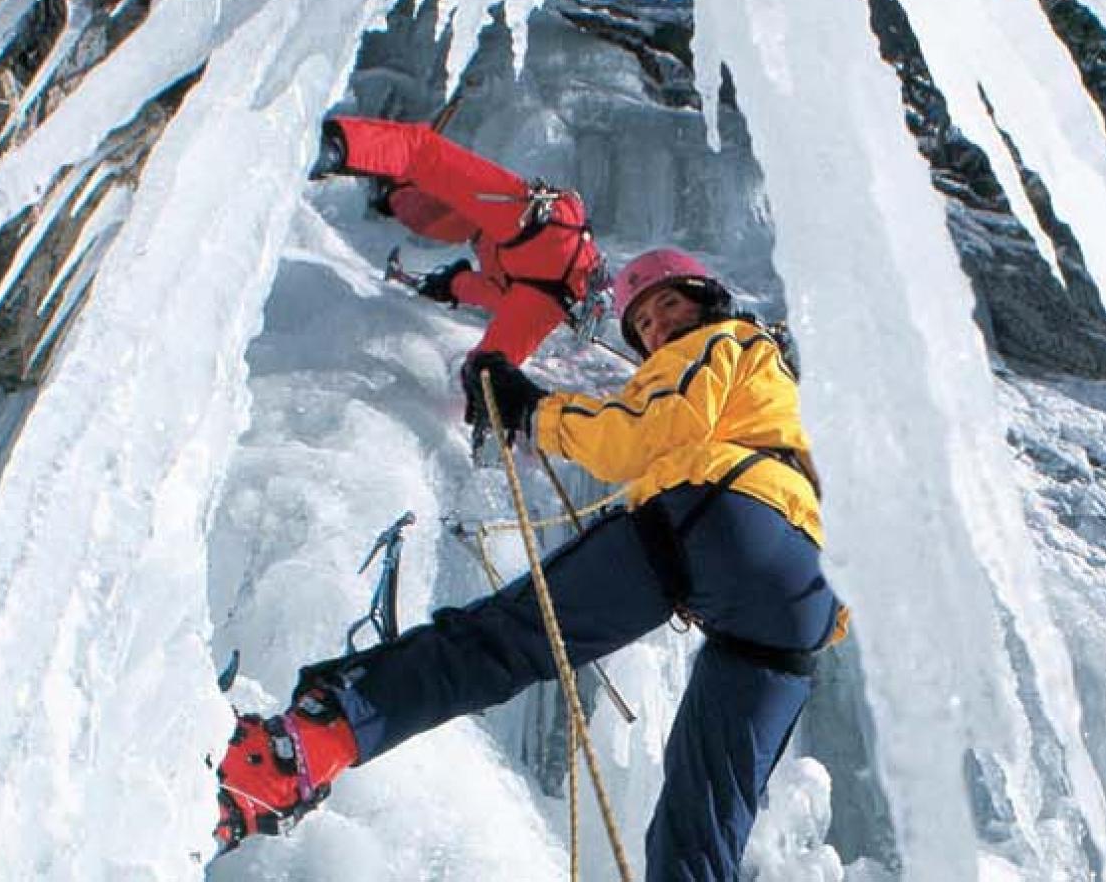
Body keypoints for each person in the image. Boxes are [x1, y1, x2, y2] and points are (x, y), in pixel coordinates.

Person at [213, 248, 846, 880]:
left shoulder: (720, 341)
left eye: (670, 305)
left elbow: (647, 431)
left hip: (722, 516)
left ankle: (296, 752)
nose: (660, 328)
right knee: (705, 816)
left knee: (503, 639)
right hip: (801, 600)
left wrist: (532, 410)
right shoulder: (784, 396)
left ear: (706, 301)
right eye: (645, 324)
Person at [309, 116, 609, 373]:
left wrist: (336, 147)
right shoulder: (527, 287)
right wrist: (446, 285)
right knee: (485, 376)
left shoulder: (514, 226)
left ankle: (346, 153)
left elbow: (419, 151)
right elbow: (486, 353)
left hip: (537, 235)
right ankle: (353, 157)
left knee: (431, 185)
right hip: (543, 258)